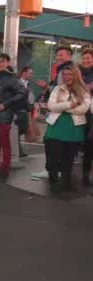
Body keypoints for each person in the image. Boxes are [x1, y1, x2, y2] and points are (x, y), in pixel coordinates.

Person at [45, 64, 92, 192]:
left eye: (70, 74)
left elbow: (84, 108)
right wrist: (71, 104)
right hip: (56, 126)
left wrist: (63, 107)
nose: (67, 77)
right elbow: (51, 106)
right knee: (53, 158)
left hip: (74, 128)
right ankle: (53, 182)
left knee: (69, 158)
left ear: (76, 75)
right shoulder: (57, 89)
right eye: (65, 74)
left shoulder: (84, 91)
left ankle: (66, 183)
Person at [32, 46, 75, 181]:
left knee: (53, 142)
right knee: (56, 142)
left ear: (69, 56)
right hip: (59, 111)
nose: (58, 57)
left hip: (61, 113)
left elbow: (62, 91)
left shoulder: (67, 71)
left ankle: (53, 170)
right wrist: (46, 87)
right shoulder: (61, 70)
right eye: (57, 55)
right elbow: (57, 90)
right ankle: (55, 170)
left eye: (61, 55)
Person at [0, 53, 27, 177]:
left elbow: (22, 92)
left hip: (3, 116)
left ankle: (4, 167)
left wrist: (6, 104)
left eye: (2, 61)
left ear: (8, 63)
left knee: (4, 143)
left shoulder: (11, 78)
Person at [79, 48, 93, 185]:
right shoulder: (78, 73)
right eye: (84, 58)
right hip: (82, 113)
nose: (86, 60)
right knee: (86, 146)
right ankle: (85, 175)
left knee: (90, 143)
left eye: (88, 58)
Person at [17, 66, 35, 157]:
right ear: (24, 73)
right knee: (18, 131)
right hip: (19, 111)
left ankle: (18, 150)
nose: (31, 75)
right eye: (30, 73)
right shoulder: (17, 83)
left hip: (26, 110)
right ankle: (18, 151)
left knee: (20, 131)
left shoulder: (28, 84)